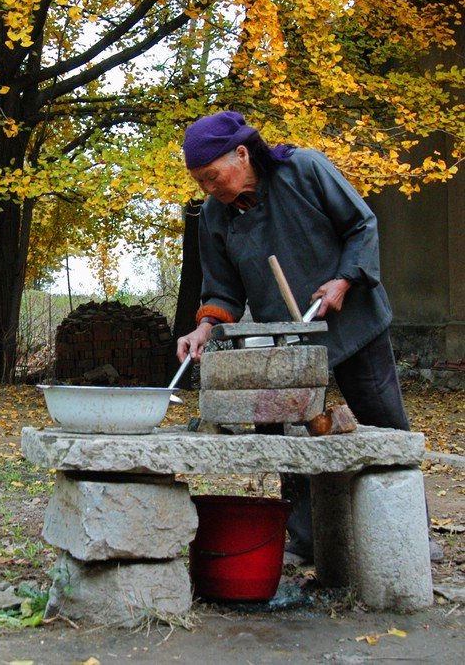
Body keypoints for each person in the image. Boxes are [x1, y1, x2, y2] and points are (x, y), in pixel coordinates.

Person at [176, 110, 443, 562]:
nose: (208, 189)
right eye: (199, 181)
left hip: (352, 322)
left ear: (241, 154)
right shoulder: (215, 217)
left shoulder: (306, 169)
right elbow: (222, 287)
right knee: (291, 437)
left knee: (387, 427)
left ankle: (411, 531)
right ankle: (307, 541)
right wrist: (205, 326)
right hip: (292, 345)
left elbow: (361, 225)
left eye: (212, 176)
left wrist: (344, 279)